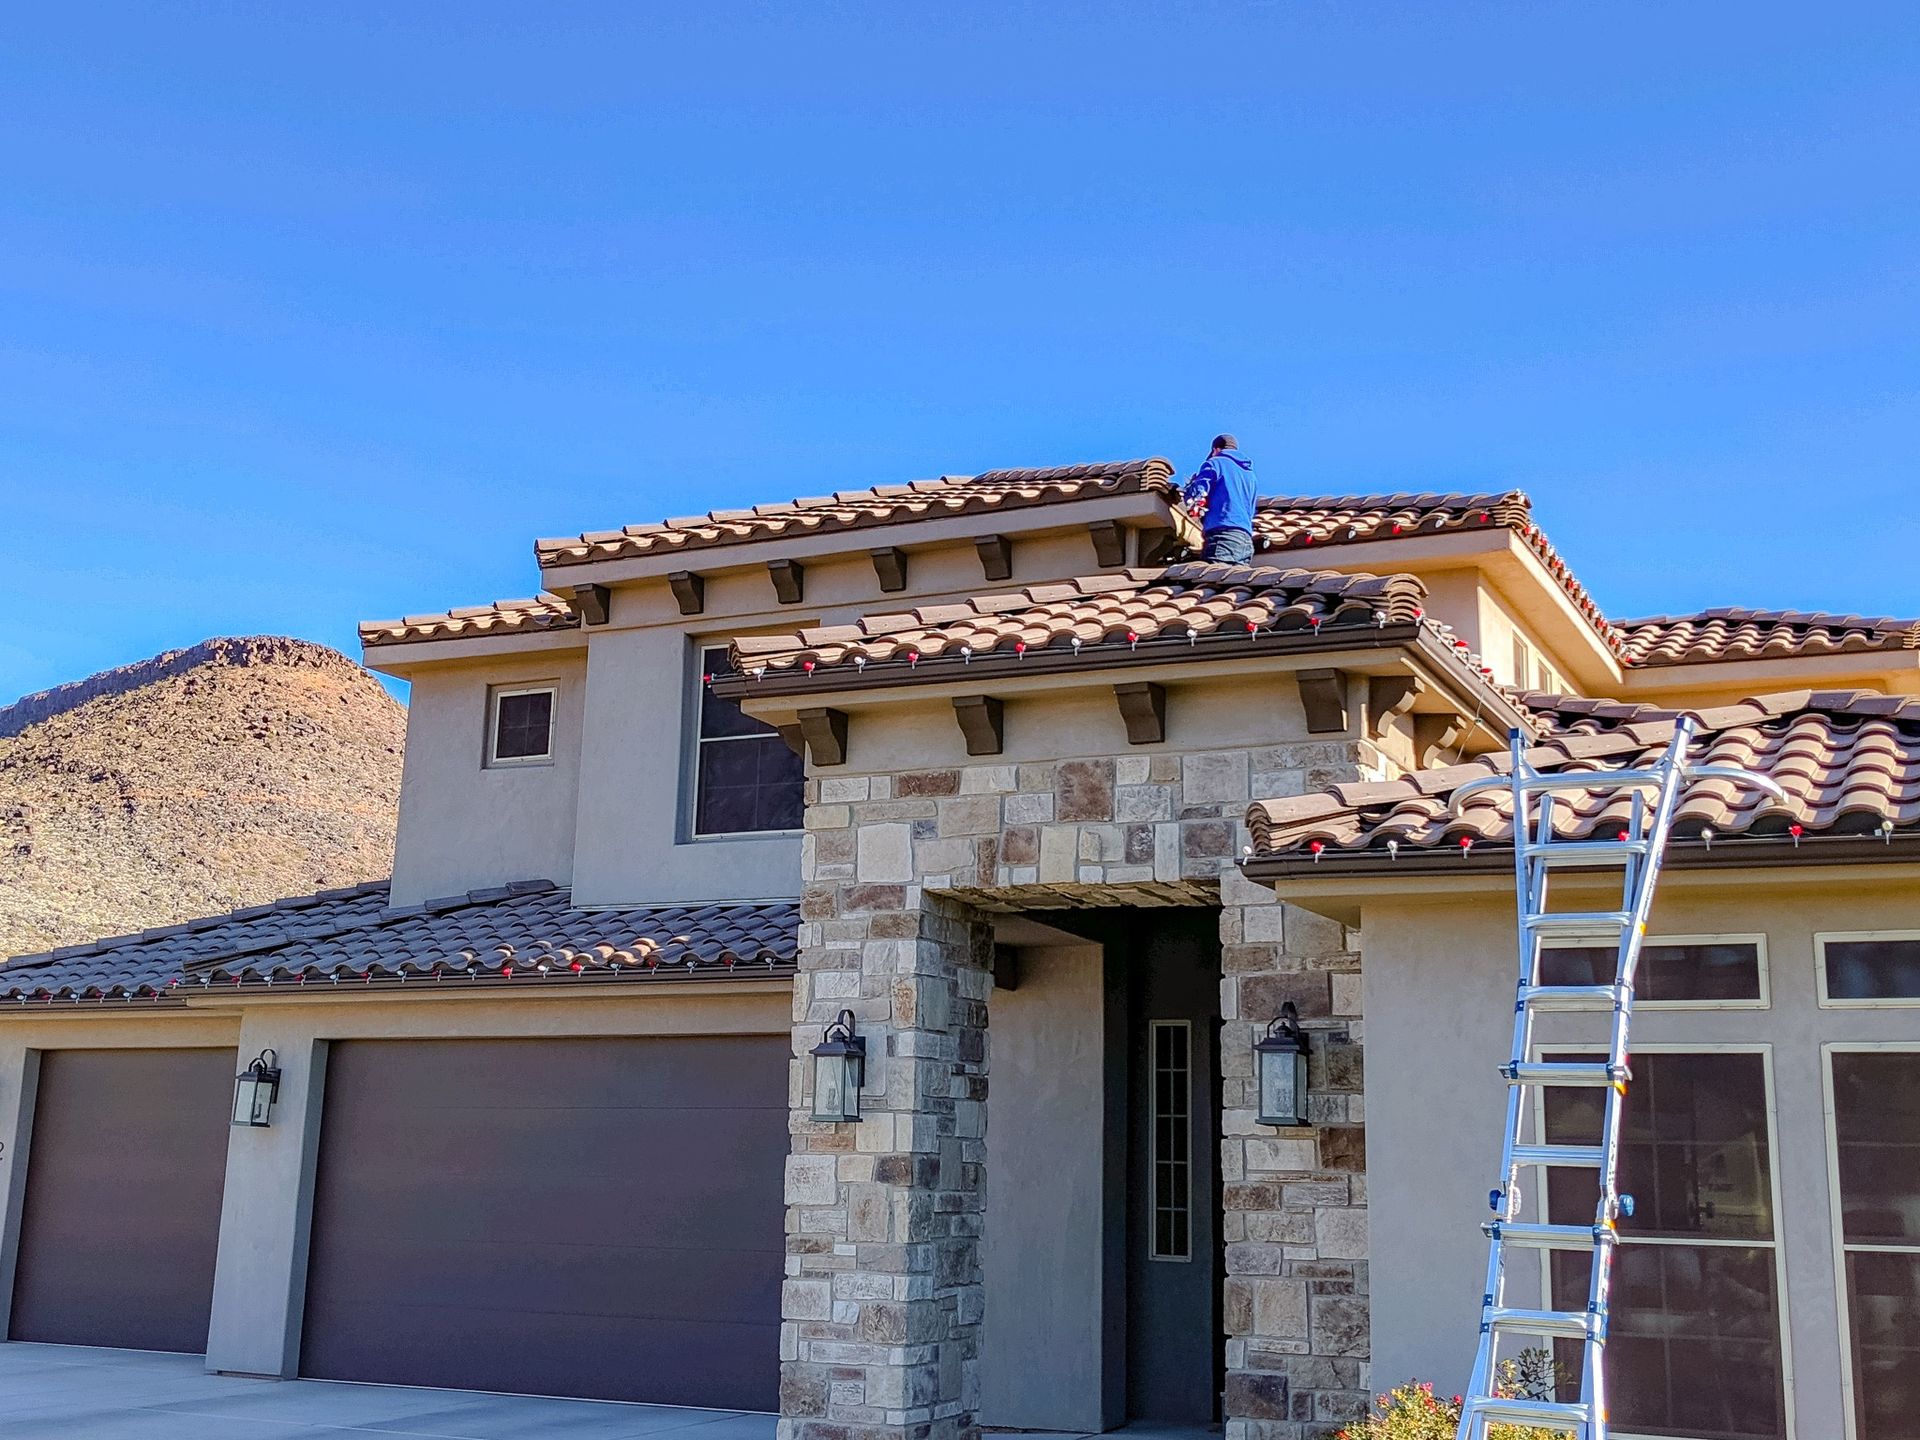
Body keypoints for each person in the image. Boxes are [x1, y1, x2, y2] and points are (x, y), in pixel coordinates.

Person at [1180, 434, 1258, 563]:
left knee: (1213, 579)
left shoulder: (1214, 463)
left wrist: (1190, 489)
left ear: (1215, 449)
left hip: (1222, 534)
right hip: (1245, 539)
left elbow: (1198, 495)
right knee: (1236, 581)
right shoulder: (1250, 475)